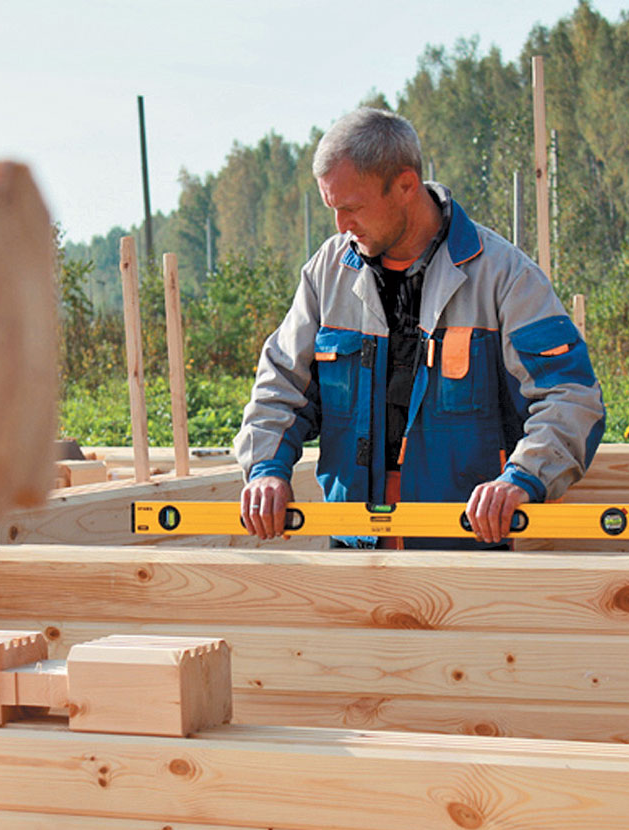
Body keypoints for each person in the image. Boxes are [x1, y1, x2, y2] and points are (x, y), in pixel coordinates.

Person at [233, 107, 605, 549]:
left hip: (464, 555)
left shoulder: (505, 277)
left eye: (352, 208)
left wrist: (521, 479)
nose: (341, 227)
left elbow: (571, 397)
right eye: (333, 209)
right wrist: (266, 471)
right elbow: (280, 384)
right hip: (354, 552)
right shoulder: (326, 273)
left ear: (406, 185)